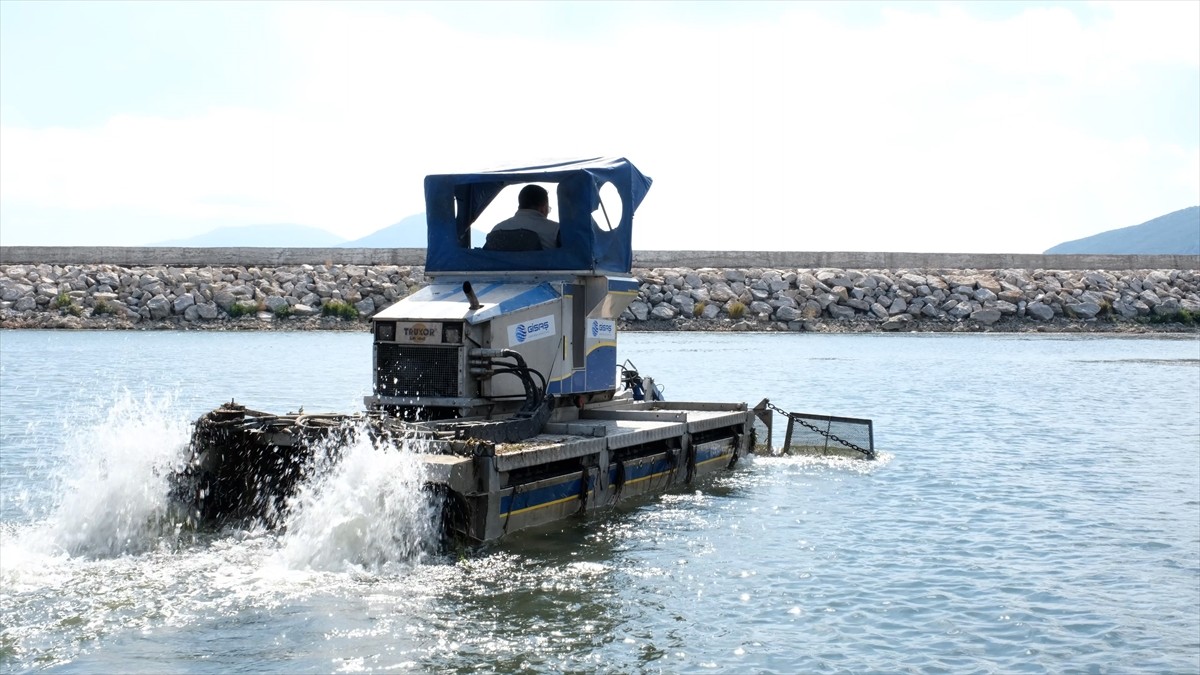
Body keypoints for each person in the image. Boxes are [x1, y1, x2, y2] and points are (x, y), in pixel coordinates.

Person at [486, 185, 559, 250]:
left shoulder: (497, 229)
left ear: (520, 204)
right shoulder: (556, 230)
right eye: (548, 208)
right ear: (543, 207)